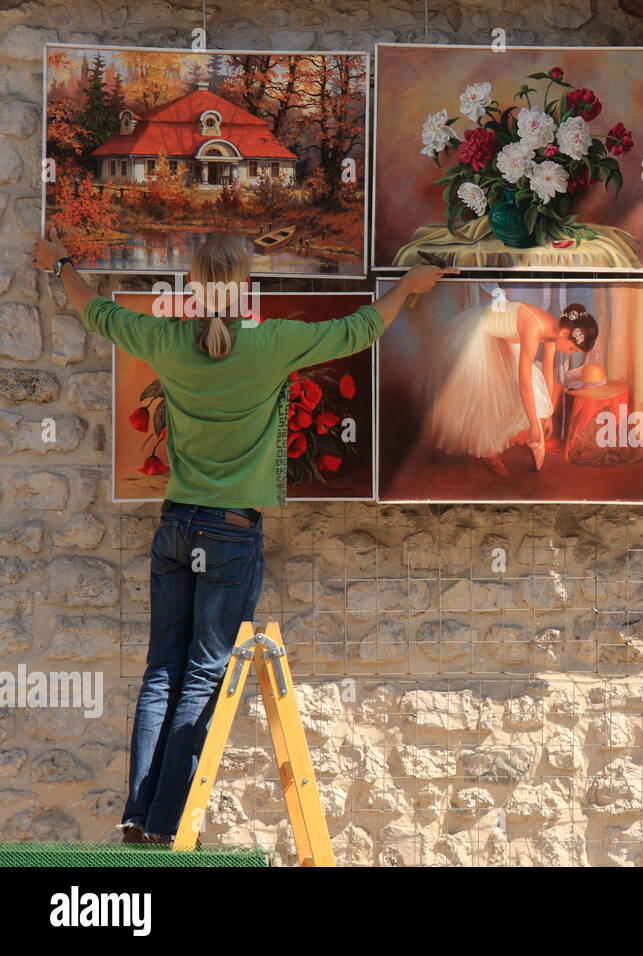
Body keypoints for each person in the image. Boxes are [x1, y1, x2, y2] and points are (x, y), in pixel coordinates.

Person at [29, 226, 455, 846]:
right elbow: (360, 329)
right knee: (202, 675)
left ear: (194, 288)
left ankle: (136, 817)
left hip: (175, 526)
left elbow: (94, 310)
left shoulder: (167, 338)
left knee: (160, 674)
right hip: (229, 533)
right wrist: (408, 286)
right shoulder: (272, 342)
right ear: (246, 285)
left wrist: (60, 261)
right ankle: (165, 827)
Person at [416, 297, 598, 476]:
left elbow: (548, 373)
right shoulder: (535, 327)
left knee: (536, 386)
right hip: (481, 332)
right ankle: (488, 450)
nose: (569, 352)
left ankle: (496, 442)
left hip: (506, 339)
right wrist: (535, 426)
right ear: (566, 333)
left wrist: (547, 415)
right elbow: (523, 382)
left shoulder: (553, 331)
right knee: (492, 391)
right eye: (572, 349)